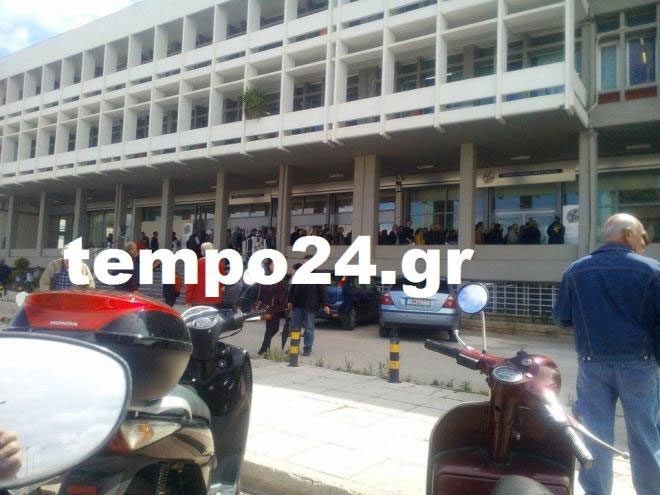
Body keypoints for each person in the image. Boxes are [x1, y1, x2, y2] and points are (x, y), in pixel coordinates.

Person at [553, 213, 658, 495]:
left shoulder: (576, 270)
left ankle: (597, 492)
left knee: (594, 437)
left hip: (592, 364)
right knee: (645, 438)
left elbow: (562, 318)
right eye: (642, 236)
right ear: (628, 234)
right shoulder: (652, 271)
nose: (643, 242)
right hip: (639, 365)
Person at [287, 269, 330, 356]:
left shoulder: (317, 277)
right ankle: (294, 347)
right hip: (297, 306)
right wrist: (290, 301)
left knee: (309, 329)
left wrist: (325, 304)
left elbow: (322, 292)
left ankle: (307, 348)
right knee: (295, 328)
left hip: (310, 307)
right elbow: (293, 289)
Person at [254, 259, 288, 356]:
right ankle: (264, 349)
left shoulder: (276, 276)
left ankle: (264, 348)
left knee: (274, 328)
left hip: (276, 307)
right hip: (271, 306)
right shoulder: (268, 277)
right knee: (270, 328)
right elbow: (267, 292)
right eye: (273, 264)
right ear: (269, 266)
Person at [185, 242, 227, 308]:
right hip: (214, 300)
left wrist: (187, 300)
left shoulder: (196, 263)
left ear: (203, 251)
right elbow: (221, 283)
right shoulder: (220, 264)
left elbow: (190, 285)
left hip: (198, 299)